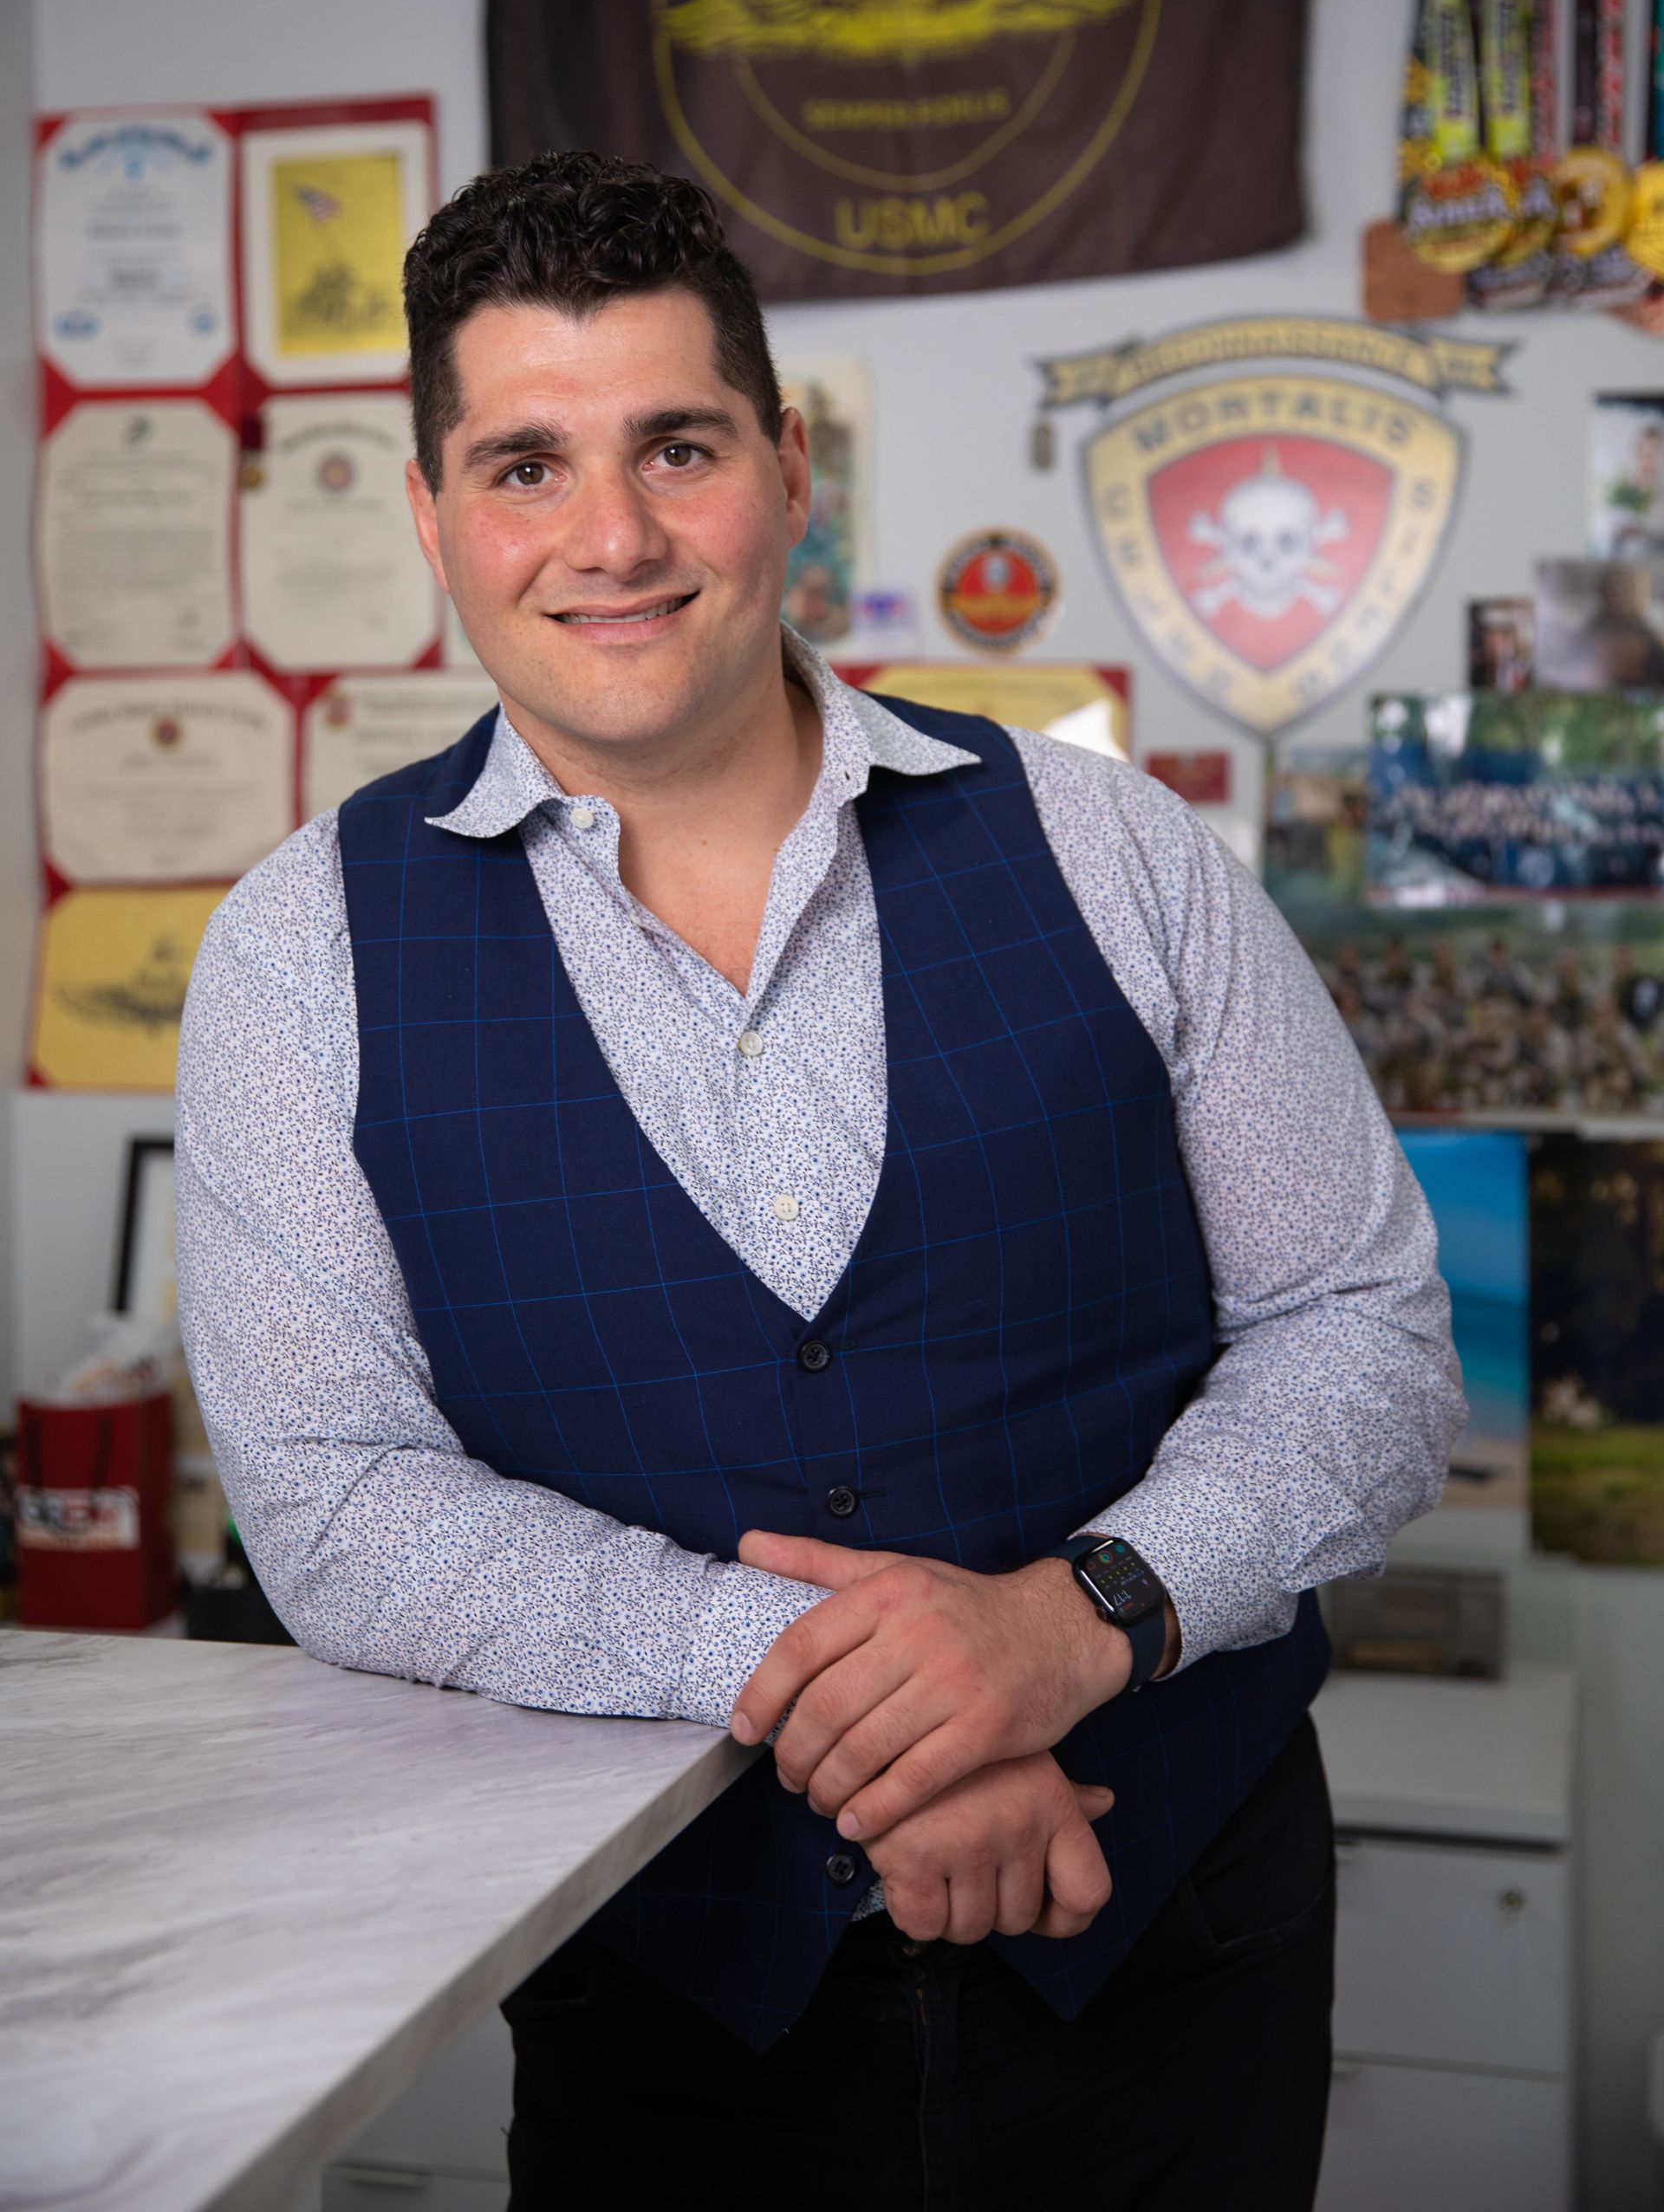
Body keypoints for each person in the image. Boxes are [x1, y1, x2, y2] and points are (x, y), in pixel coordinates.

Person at [175, 152, 1460, 2212]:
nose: (611, 537)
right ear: (432, 514)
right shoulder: (295, 953)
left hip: (1170, 1951)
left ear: (786, 467)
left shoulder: (1112, 850)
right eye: (523, 466)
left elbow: (1367, 1333)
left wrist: (1074, 1628)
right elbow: (333, 1506)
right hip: (668, 1988)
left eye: (675, 446)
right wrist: (869, 1695)